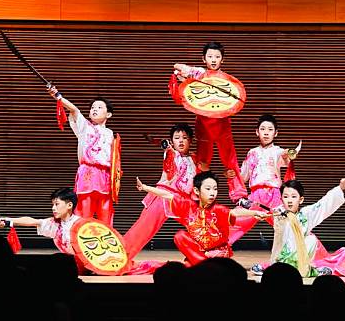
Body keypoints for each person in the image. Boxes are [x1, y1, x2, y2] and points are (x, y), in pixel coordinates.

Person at [136, 171, 268, 266]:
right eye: (208, 188)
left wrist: (254, 213)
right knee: (180, 236)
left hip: (218, 253)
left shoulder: (218, 209)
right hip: (200, 252)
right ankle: (204, 265)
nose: (212, 193)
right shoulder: (187, 206)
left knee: (187, 267)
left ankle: (203, 265)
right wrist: (145, 188)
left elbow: (235, 213)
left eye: (215, 189)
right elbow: (168, 195)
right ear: (197, 191)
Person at [172, 41, 247, 202]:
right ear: (203, 58)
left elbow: (238, 99)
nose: (213, 60)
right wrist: (186, 72)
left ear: (222, 60)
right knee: (202, 162)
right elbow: (177, 66)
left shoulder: (228, 81)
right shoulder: (199, 74)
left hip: (222, 125)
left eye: (217, 57)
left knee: (230, 161)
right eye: (210, 56)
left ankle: (239, 196)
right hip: (203, 125)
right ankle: (197, 195)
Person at [123, 123, 201, 260]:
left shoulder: (195, 159)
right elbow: (166, 146)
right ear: (172, 141)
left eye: (185, 137)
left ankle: (200, 256)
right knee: (143, 229)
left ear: (191, 140)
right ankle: (120, 257)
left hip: (183, 201)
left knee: (200, 225)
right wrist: (165, 145)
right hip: (163, 197)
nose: (181, 141)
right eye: (177, 138)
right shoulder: (171, 153)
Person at [47, 85, 120, 226]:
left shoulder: (111, 134)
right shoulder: (84, 127)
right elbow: (74, 110)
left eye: (99, 107)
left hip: (105, 176)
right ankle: (80, 245)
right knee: (84, 212)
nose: (94, 109)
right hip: (88, 173)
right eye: (92, 107)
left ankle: (106, 245)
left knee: (105, 213)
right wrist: (57, 96)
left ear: (108, 114)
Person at [253, 178, 345, 277]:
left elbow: (322, 205)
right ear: (281, 199)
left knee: (312, 239)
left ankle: (299, 269)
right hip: (280, 261)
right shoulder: (279, 214)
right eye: (285, 197)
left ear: (301, 199)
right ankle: (284, 269)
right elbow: (274, 212)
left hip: (299, 262)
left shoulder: (305, 215)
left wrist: (340, 188)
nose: (289, 201)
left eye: (294, 197)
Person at [228, 113, 294, 244]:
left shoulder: (278, 151)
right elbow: (243, 177)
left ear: (276, 133)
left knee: (290, 227)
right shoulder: (252, 153)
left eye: (270, 129)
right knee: (233, 221)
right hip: (255, 197)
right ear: (256, 132)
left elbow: (285, 160)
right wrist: (232, 174)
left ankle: (307, 254)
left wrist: (287, 155)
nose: (266, 133)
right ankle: (214, 251)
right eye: (263, 129)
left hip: (275, 196)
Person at [0, 187, 81, 256]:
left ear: (69, 205)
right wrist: (8, 220)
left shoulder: (81, 224)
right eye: (52, 205)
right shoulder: (54, 224)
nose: (53, 208)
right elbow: (32, 221)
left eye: (57, 204)